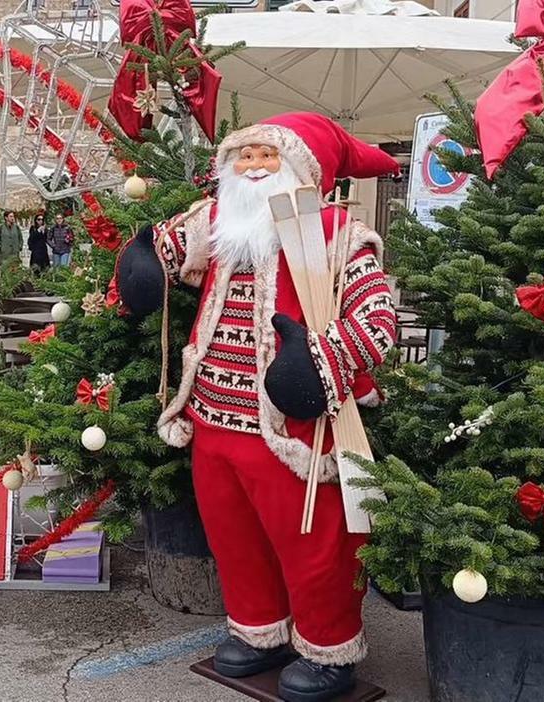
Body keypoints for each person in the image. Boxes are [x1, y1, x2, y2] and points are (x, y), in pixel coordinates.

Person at [116, 113, 400, 702]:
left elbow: (378, 323)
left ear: (300, 168)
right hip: (211, 419)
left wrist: (318, 361)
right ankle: (258, 631)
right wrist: (143, 258)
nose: (251, 168)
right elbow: (165, 246)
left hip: (294, 432)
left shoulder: (337, 233)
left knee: (314, 544)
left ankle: (328, 648)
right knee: (233, 537)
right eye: (242, 157)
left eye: (265, 157)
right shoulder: (218, 220)